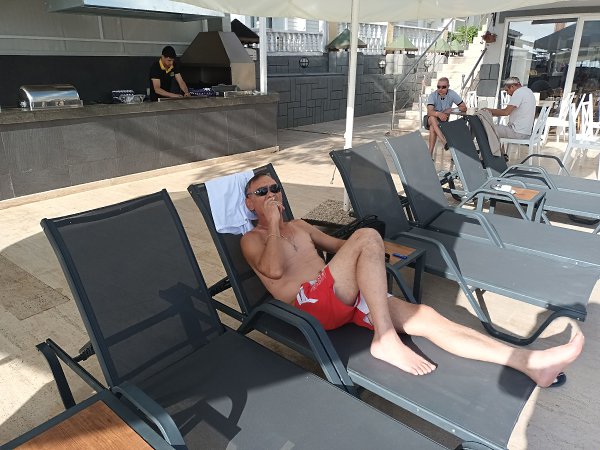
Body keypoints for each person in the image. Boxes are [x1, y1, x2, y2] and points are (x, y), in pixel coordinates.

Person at [241, 173, 584, 387]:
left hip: (340, 295)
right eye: (262, 192)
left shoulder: (300, 226)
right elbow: (273, 270)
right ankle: (384, 338)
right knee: (366, 235)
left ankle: (530, 363)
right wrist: (274, 224)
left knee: (427, 317)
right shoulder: (251, 240)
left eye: (275, 188)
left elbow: (337, 247)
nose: (272, 195)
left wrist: (372, 252)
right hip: (309, 307)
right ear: (249, 204)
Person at [425, 77, 467, 155]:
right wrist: (438, 114)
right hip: (429, 119)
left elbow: (464, 108)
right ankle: (444, 141)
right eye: (438, 87)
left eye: (443, 87)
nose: (440, 89)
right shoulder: (433, 95)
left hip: (443, 120)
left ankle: (429, 155)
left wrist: (451, 109)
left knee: (433, 128)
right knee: (432, 118)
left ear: (448, 86)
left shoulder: (452, 94)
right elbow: (429, 112)